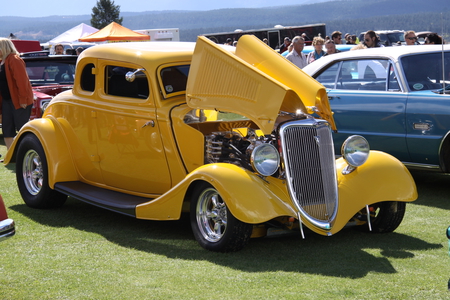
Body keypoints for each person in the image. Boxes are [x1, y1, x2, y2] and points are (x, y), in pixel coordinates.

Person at [0, 38, 33, 150]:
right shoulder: (2, 61)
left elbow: (22, 81)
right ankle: (11, 156)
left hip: (19, 101)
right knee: (7, 128)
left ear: (3, 47)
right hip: (7, 101)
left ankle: (24, 153)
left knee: (22, 128)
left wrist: (23, 99)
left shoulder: (14, 59)